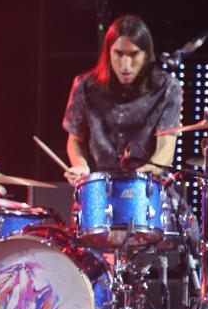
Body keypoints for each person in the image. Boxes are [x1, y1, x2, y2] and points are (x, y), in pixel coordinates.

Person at [62, 14, 182, 185]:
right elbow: (75, 139)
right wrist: (81, 167)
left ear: (146, 54)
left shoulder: (167, 88)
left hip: (146, 187)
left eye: (134, 54)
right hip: (100, 188)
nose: (125, 65)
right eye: (118, 53)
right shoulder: (85, 86)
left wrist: (136, 181)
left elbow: (166, 149)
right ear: (108, 53)